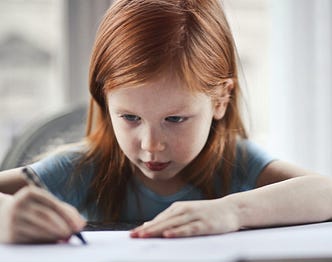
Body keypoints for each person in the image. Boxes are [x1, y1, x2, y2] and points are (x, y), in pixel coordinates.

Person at [0, 0, 332, 244]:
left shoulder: (236, 164)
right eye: (130, 117)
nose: (151, 144)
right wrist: (5, 217)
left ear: (220, 100)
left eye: (175, 118)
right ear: (104, 100)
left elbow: (326, 192)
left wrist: (233, 211)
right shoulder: (80, 169)